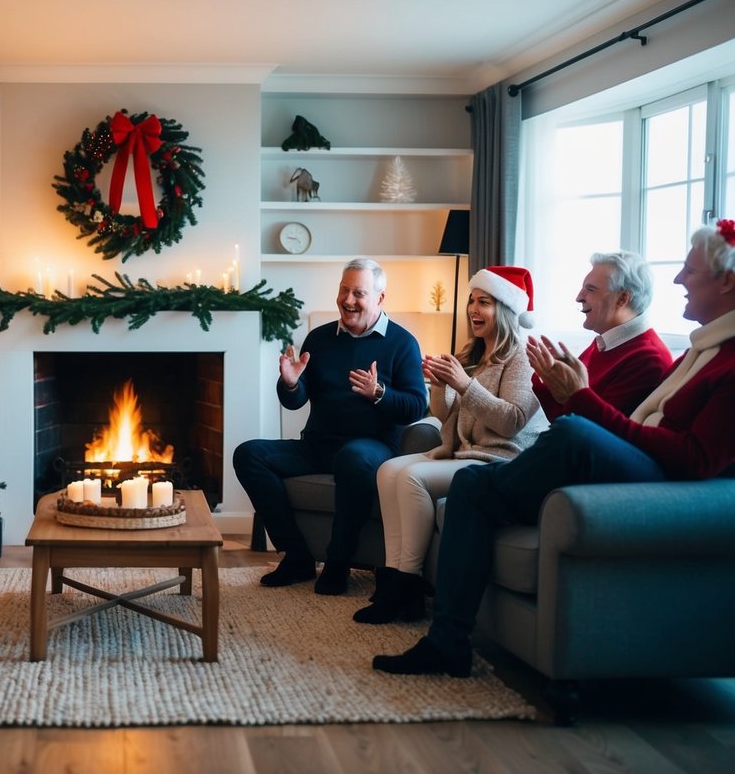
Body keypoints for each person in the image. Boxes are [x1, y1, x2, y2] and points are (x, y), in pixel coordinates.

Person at [374, 222, 735, 677]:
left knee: (563, 439)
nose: (679, 280)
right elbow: (555, 409)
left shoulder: (680, 357)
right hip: (612, 460)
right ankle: (444, 636)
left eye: (690, 270)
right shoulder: (695, 352)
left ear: (726, 280)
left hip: (654, 486)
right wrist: (553, 391)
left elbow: (692, 457)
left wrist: (576, 398)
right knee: (470, 483)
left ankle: (427, 616)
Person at [357, 266, 548, 624]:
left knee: (412, 478)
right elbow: (444, 416)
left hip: (501, 461)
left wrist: (463, 385)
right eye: (472, 301)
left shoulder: (521, 359)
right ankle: (393, 577)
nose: (474, 309)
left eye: (485, 303)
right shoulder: (471, 356)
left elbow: (511, 420)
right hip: (464, 453)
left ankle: (406, 585)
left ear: (506, 311)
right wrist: (438, 384)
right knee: (388, 471)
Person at [233, 258, 427, 594]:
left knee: (351, 457)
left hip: (371, 448)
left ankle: (338, 562)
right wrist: (291, 383)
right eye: (344, 290)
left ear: (380, 299)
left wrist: (378, 393)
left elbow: (415, 406)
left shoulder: (402, 343)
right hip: (317, 445)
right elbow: (295, 400)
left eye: (359, 293)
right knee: (248, 454)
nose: (348, 300)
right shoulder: (320, 339)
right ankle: (297, 556)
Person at [530, 251, 672, 420]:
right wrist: (547, 379)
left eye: (590, 289)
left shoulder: (649, 359)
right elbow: (564, 419)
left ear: (622, 299)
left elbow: (588, 433)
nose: (578, 297)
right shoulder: (606, 341)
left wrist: (553, 384)